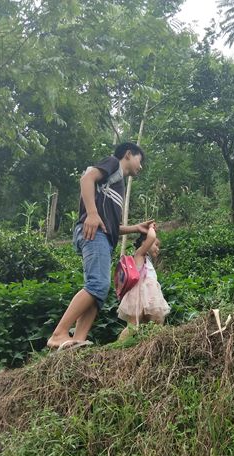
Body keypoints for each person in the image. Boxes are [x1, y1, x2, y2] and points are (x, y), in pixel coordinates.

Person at [47, 142, 152, 351]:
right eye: (140, 160)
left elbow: (111, 226)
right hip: (94, 234)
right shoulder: (113, 163)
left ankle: (77, 341)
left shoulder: (118, 186)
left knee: (98, 291)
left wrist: (134, 228)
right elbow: (86, 179)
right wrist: (92, 214)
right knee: (98, 285)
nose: (141, 166)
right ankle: (59, 333)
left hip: (103, 236)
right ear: (128, 154)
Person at [117, 223, 170, 332]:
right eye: (156, 245)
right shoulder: (139, 255)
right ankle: (122, 342)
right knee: (133, 325)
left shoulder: (147, 261)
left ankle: (152, 340)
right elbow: (151, 237)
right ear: (144, 243)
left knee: (158, 320)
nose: (158, 249)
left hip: (150, 296)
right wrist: (150, 228)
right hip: (138, 295)